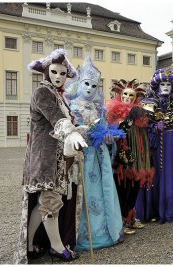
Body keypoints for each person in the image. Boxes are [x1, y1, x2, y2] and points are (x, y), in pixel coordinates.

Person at [14, 49, 87, 263]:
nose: (58, 76)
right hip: (44, 158)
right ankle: (56, 247)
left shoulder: (59, 95)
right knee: (50, 201)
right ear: (46, 72)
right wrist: (71, 130)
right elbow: (56, 119)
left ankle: (30, 245)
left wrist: (80, 129)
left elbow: (67, 121)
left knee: (44, 202)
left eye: (63, 73)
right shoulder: (43, 92)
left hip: (57, 158)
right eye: (54, 72)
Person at [64, 56, 124, 251]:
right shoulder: (71, 107)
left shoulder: (100, 108)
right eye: (86, 84)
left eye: (94, 85)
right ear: (79, 84)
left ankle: (106, 231)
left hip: (99, 158)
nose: (90, 88)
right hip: (81, 157)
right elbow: (68, 132)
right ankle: (83, 234)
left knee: (103, 190)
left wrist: (108, 139)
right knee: (85, 193)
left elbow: (105, 130)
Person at [135, 69, 173, 223]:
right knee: (152, 172)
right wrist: (154, 127)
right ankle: (151, 210)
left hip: (169, 141)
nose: (165, 87)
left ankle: (169, 210)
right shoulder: (148, 103)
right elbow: (141, 125)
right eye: (162, 84)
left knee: (168, 173)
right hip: (151, 143)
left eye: (168, 84)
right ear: (156, 85)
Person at [106, 79, 153, 235]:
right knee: (122, 188)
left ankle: (131, 217)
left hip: (137, 157)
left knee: (134, 187)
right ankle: (121, 221)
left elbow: (145, 127)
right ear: (120, 95)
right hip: (121, 157)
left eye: (131, 95)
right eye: (125, 94)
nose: (128, 97)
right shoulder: (113, 111)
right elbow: (112, 132)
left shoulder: (140, 111)